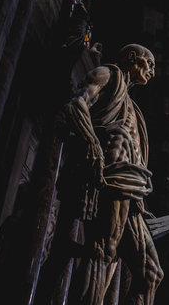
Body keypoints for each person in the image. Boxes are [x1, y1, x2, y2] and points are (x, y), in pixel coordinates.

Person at [63, 44, 163, 305]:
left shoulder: (134, 109)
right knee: (103, 250)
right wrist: (91, 142)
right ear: (132, 58)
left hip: (131, 188)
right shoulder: (108, 74)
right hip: (110, 177)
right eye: (149, 63)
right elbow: (76, 105)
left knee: (152, 274)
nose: (152, 71)